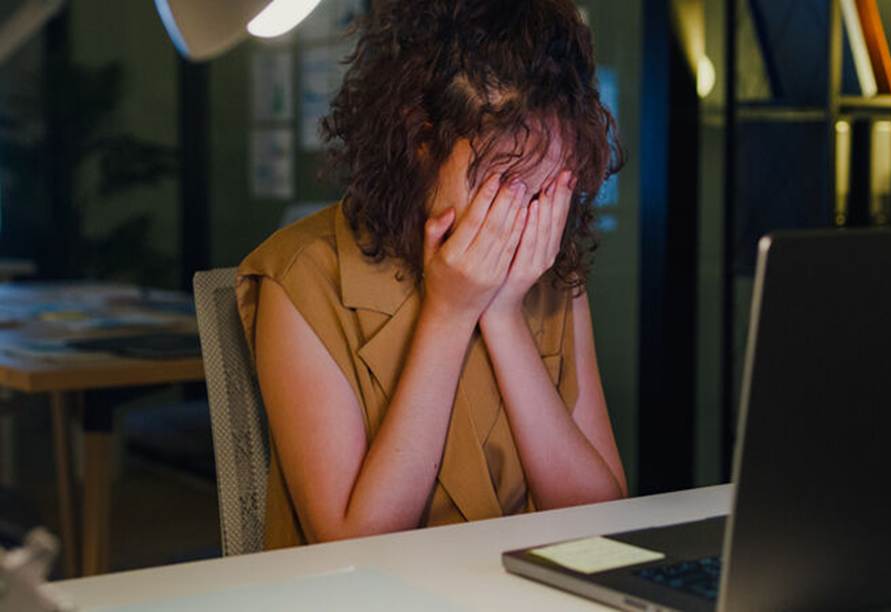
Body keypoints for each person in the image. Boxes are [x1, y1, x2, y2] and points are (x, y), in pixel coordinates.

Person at [236, 0, 627, 550]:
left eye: (548, 190)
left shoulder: (546, 266)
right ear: (422, 141)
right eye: (504, 185)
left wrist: (503, 314)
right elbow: (354, 544)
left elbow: (602, 519)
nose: (523, 219)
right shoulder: (303, 279)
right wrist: (450, 313)